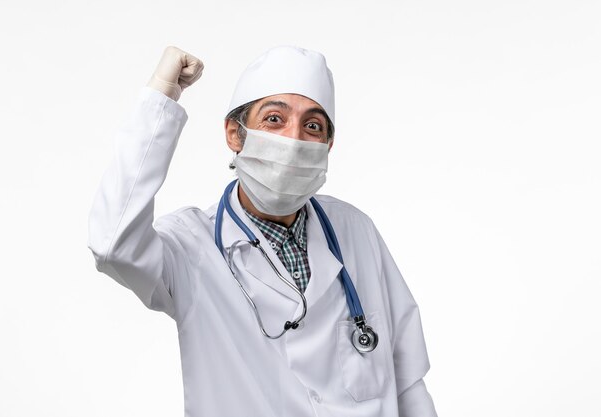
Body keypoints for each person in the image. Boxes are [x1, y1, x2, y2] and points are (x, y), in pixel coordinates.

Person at [88, 45, 438, 417]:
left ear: (328, 146)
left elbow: (408, 381)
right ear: (235, 135)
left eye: (313, 126)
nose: (293, 139)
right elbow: (113, 244)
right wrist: (161, 100)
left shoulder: (355, 229)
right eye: (274, 119)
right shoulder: (190, 245)